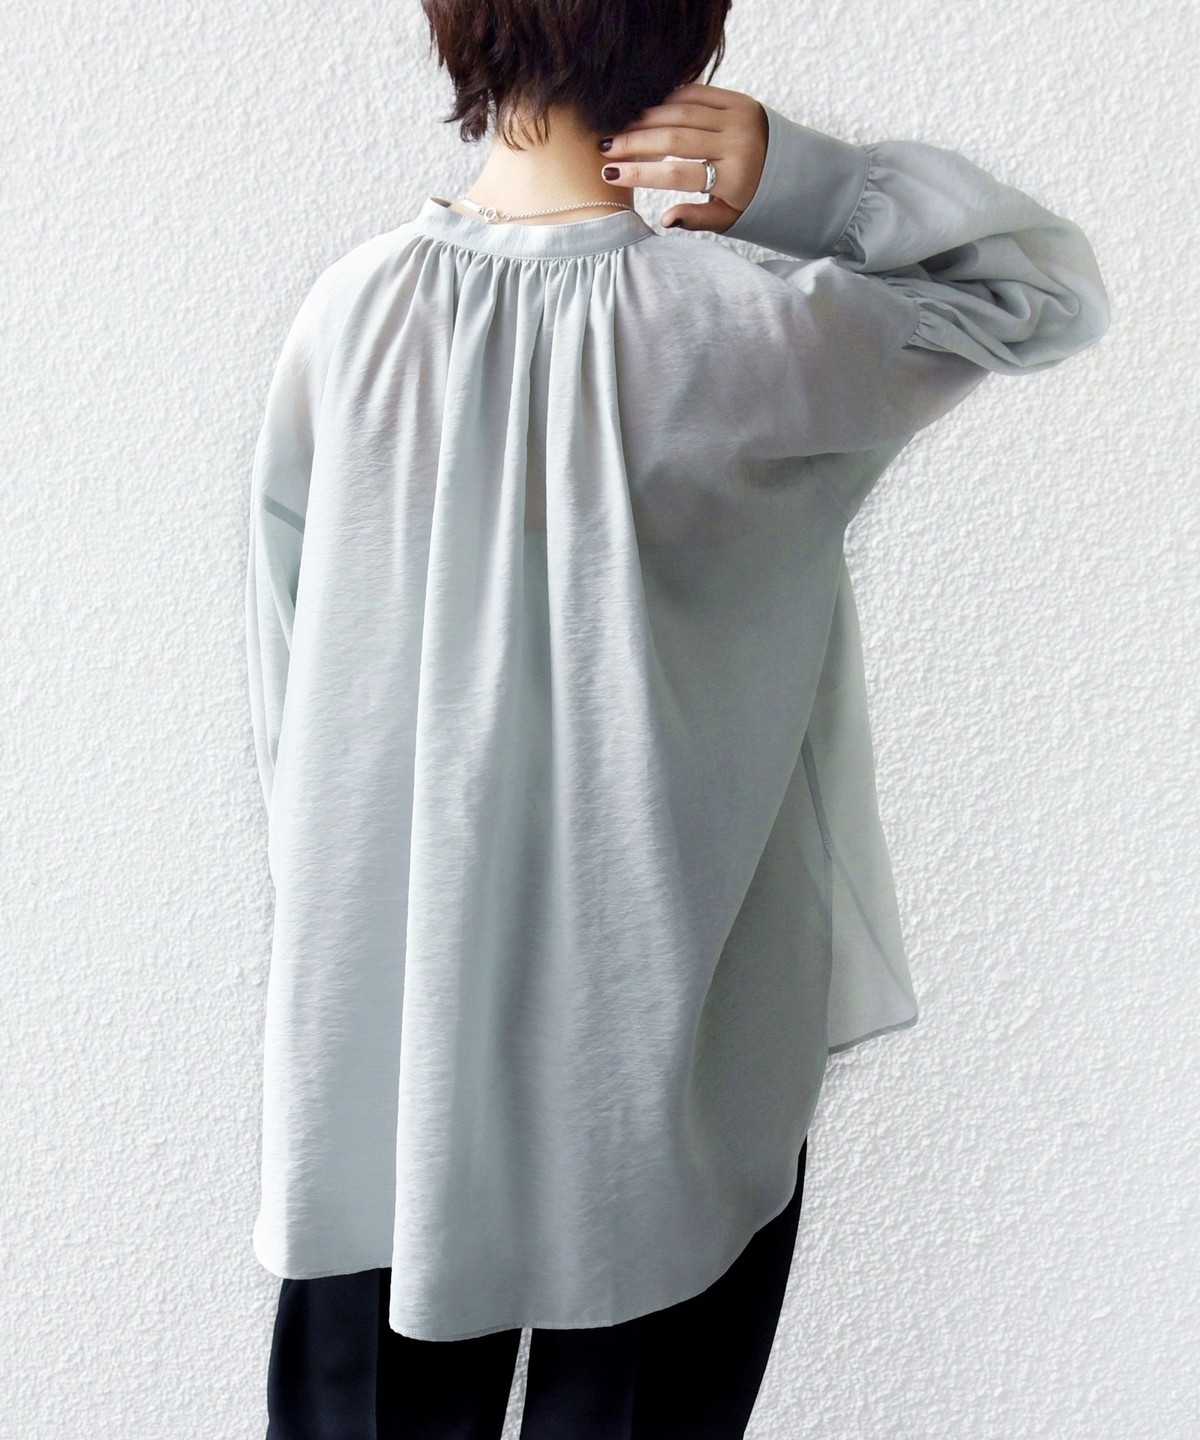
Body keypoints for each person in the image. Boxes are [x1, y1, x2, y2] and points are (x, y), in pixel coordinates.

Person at [246, 2, 1110, 1435]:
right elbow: (1038, 288)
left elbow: (289, 688)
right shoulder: (755, 327)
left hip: (387, 1032)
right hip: (662, 1024)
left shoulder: (346, 322)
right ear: (690, 43)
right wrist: (808, 182)